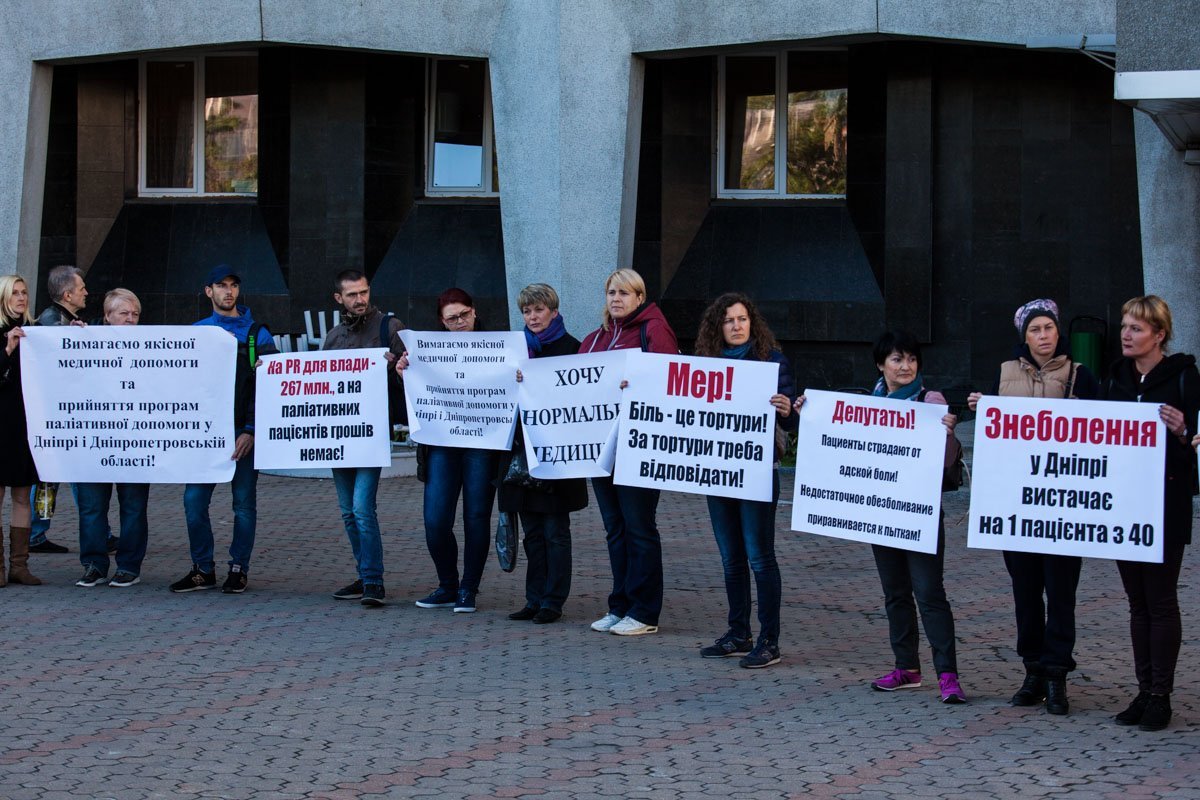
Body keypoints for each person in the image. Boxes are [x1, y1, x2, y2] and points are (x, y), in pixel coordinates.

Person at [968, 298, 1099, 715]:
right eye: (1034, 330)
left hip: (1062, 507)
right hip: (1017, 507)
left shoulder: (1080, 375)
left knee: (1061, 593)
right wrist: (981, 409)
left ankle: (1057, 674)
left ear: (1059, 331)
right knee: (1025, 593)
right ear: (1023, 337)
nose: (1043, 336)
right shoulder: (1004, 373)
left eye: (1049, 328)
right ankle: (1033, 670)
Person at [850, 330, 965, 700]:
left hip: (919, 513)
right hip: (882, 512)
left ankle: (948, 675)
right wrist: (810, 411)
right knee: (895, 592)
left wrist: (947, 434)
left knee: (929, 592)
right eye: (897, 359)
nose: (906, 366)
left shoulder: (931, 401)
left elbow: (946, 463)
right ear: (880, 364)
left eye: (912, 359)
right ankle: (907, 668)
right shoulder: (869, 404)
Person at [1104, 295, 1200, 732]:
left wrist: (1184, 432)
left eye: (1136, 328)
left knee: (1160, 601)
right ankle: (1144, 690)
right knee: (1137, 603)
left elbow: (1195, 443)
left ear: (1159, 335)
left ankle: (1161, 695)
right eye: (1125, 326)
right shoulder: (1115, 378)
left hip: (1165, 505)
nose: (1126, 335)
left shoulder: (1184, 377)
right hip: (1124, 504)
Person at [693, 293, 795, 667]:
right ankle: (738, 632)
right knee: (731, 558)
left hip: (756, 471)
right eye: (728, 320)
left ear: (752, 322)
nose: (736, 326)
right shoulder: (705, 365)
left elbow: (790, 420)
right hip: (717, 471)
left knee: (759, 557)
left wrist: (787, 409)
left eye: (742, 319)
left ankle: (769, 640)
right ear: (717, 327)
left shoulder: (773, 361)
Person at [579, 268, 678, 636]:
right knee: (615, 529)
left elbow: (670, 378)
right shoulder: (595, 339)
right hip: (601, 447)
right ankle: (619, 605)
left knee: (639, 527)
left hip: (639, 446)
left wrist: (639, 383)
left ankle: (645, 611)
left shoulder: (654, 330)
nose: (616, 299)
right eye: (611, 292)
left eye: (624, 293)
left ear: (640, 297)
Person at [171, 264, 277, 594]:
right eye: (221, 285)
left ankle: (238, 568)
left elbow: (268, 387)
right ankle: (202, 569)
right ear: (209, 291)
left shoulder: (257, 334)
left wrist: (251, 430)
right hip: (205, 435)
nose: (228, 291)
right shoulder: (197, 332)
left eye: (233, 285)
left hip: (243, 434)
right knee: (193, 503)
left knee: (243, 505)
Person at [397, 288, 499, 613]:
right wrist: (404, 373)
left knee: (476, 517)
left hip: (482, 443)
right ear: (442, 322)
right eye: (452, 318)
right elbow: (415, 396)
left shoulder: (498, 347)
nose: (460, 322)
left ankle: (468, 588)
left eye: (464, 315)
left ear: (474, 310)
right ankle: (447, 584)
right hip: (442, 442)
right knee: (435, 519)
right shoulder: (429, 351)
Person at [503, 284, 587, 625]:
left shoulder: (573, 348)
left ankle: (553, 601)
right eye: (527, 311)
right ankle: (533, 598)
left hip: (557, 456)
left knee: (555, 531)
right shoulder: (515, 351)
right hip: (522, 455)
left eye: (539, 310)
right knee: (533, 534)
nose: (533, 317)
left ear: (554, 312)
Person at [323, 269, 405, 608]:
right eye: (352, 294)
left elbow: (411, 377)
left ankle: (373, 580)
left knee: (361, 508)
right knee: (348, 511)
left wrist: (395, 368)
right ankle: (364, 573)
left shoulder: (389, 327)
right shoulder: (333, 337)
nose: (360, 299)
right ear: (338, 298)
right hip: (340, 435)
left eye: (364, 292)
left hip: (371, 433)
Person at [73, 289, 152, 588]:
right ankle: (94, 564)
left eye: (135, 314)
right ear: (107, 316)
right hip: (94, 440)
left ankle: (129, 566)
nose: (131, 319)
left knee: (133, 506)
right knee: (92, 507)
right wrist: (71, 339)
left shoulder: (154, 347)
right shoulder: (86, 340)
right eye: (124, 313)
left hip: (135, 441)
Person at [29, 264, 91, 555]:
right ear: (67, 295)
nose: (86, 293)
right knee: (63, 475)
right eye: (81, 288)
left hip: (58, 414)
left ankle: (37, 531)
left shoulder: (58, 320)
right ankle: (38, 532)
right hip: (58, 416)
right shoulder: (54, 324)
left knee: (51, 476)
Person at [0, 275, 42, 586]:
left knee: (22, 495)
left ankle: (19, 565)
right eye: (14, 292)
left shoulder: (34, 331)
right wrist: (7, 349)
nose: (21, 297)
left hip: (24, 425)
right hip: (0, 424)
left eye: (24, 292)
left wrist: (73, 336)